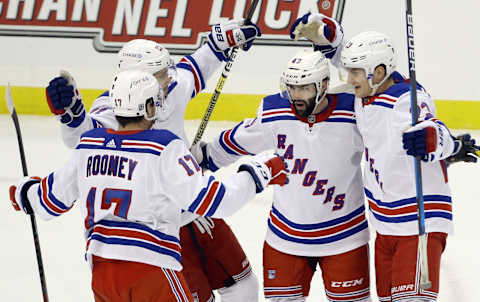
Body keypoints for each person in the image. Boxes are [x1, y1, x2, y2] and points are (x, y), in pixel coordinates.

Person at [9, 70, 288, 302]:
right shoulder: (162, 147)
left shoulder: (88, 144)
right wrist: (258, 172)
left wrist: (23, 192)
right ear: (148, 107)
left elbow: (47, 203)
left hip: (103, 277)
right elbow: (213, 200)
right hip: (150, 270)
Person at [44, 20, 263, 302]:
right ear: (137, 79)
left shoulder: (169, 87)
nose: (170, 78)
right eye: (161, 74)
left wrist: (223, 41)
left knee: (244, 286)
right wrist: (72, 118)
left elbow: (196, 67)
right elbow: (85, 139)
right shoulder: (112, 109)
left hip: (195, 208)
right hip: (158, 230)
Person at [192, 24, 372, 301]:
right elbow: (242, 137)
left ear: (324, 85)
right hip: (285, 240)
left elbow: (384, 123)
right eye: (291, 88)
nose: (295, 96)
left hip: (345, 238)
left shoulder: (353, 111)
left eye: (303, 88)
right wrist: (206, 155)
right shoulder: (276, 111)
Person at [338, 31, 458, 301]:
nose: (349, 79)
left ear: (379, 72)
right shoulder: (365, 93)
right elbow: (344, 62)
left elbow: (434, 127)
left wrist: (434, 139)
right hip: (386, 224)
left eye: (356, 71)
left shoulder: (407, 99)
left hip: (418, 222)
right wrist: (330, 38)